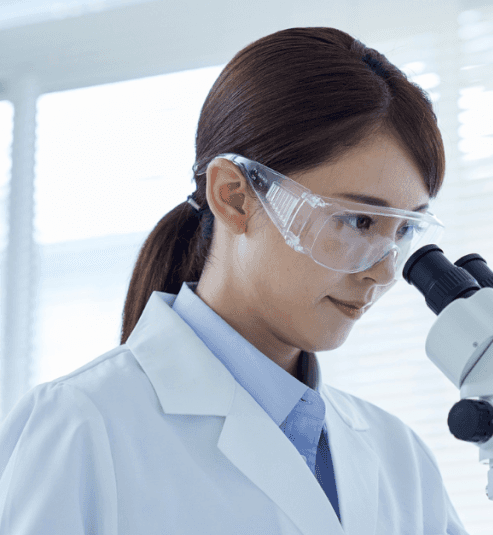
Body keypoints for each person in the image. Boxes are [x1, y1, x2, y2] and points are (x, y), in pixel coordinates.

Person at [0, 27, 467, 535]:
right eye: (358, 221)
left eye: (404, 230)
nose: (384, 271)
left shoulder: (400, 459)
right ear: (234, 197)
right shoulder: (82, 425)